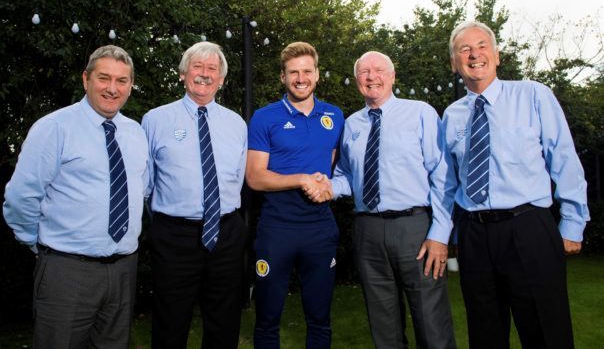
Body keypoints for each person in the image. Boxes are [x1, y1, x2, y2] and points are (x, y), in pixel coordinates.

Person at [443, 21, 590, 349]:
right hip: (475, 236)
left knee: (545, 332)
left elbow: (564, 160)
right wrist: (451, 235)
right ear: (454, 62)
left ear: (496, 55)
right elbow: (449, 183)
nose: (474, 54)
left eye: (481, 46)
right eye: (464, 49)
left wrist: (573, 224)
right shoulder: (451, 116)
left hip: (528, 229)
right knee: (485, 335)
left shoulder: (533, 95)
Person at [3, 45, 148, 348]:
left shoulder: (135, 133)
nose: (112, 88)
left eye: (122, 81)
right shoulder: (54, 128)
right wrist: (40, 244)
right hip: (67, 272)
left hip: (123, 271)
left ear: (130, 86)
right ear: (86, 79)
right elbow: (20, 198)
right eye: (104, 78)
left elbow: (140, 190)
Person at [330, 51, 457, 349]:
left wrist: (440, 235)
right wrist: (324, 187)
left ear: (392, 76)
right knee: (383, 326)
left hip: (415, 229)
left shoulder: (421, 113)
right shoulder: (352, 124)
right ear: (357, 80)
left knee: (431, 323)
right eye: (364, 72)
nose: (371, 77)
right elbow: (347, 176)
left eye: (378, 70)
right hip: (368, 230)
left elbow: (442, 175)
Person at [141, 42, 248, 349]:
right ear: (183, 73)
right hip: (175, 236)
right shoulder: (155, 120)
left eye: (212, 69)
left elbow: (237, 180)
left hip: (226, 233)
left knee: (224, 322)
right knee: (170, 322)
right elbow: (146, 183)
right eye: (197, 67)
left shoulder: (236, 124)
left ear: (222, 79)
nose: (204, 74)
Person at [246, 41, 344, 348]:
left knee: (320, 320)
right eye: (293, 73)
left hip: (320, 229)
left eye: (306, 71)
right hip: (277, 229)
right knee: (267, 321)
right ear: (282, 77)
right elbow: (255, 177)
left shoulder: (334, 116)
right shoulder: (265, 117)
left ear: (317, 74)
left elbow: (330, 165)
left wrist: (321, 186)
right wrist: (301, 179)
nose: (300, 78)